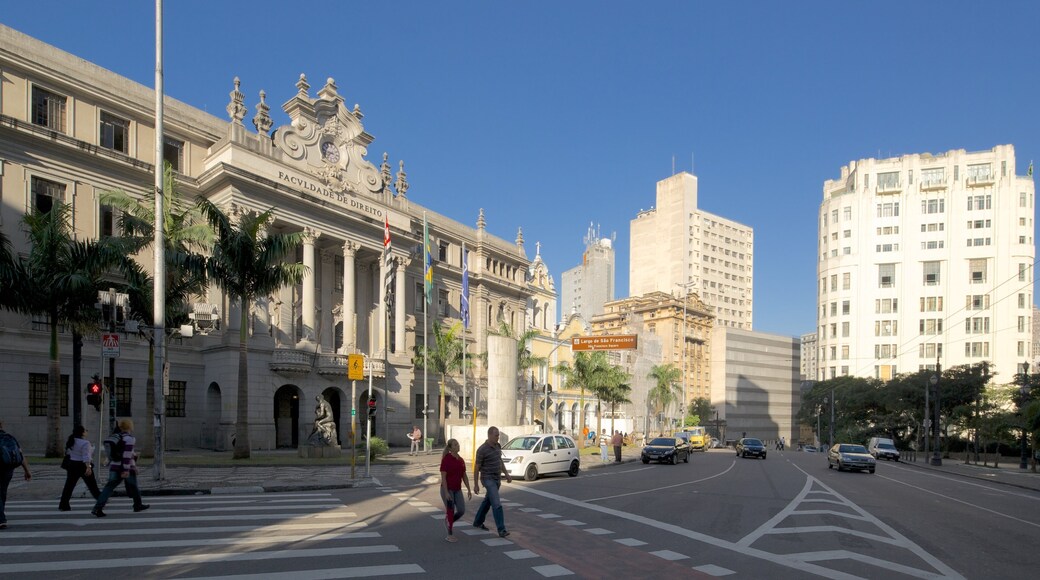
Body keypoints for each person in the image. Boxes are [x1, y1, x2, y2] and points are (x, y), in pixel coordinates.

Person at [92, 419, 149, 517]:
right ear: (130, 427)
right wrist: (127, 469)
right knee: (134, 486)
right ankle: (137, 505)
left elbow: (117, 453)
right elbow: (127, 455)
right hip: (125, 467)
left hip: (114, 466)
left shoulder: (116, 437)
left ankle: (98, 507)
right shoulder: (129, 439)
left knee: (109, 487)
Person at [472, 426, 512, 538]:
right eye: (496, 435)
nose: (498, 437)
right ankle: (501, 529)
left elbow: (500, 461)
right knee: (496, 503)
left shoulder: (498, 446)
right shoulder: (482, 450)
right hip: (487, 479)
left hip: (497, 479)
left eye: (498, 435)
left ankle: (478, 521)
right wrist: (475, 484)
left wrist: (507, 474)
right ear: (489, 435)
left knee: (488, 501)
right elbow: (477, 467)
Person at [58, 425, 101, 511]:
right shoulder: (85, 443)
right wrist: (88, 467)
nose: (86, 432)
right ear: (82, 432)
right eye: (85, 430)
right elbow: (86, 457)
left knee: (69, 486)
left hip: (72, 465)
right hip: (82, 465)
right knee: (92, 485)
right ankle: (101, 500)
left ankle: (63, 504)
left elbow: (69, 453)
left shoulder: (72, 441)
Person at [0, 420, 32, 529]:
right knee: (2, 492)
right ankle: (1, 515)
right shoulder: (9, 437)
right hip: (8, 469)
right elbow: (20, 455)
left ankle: (1, 518)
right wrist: (27, 470)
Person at [439, 438, 472, 542]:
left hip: (457, 489)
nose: (458, 446)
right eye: (455, 445)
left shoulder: (461, 460)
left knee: (461, 510)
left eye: (458, 444)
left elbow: (464, 475)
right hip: (447, 490)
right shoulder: (446, 459)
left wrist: (469, 489)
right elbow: (443, 477)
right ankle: (449, 534)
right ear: (450, 448)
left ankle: (449, 521)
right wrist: (446, 492)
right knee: (450, 510)